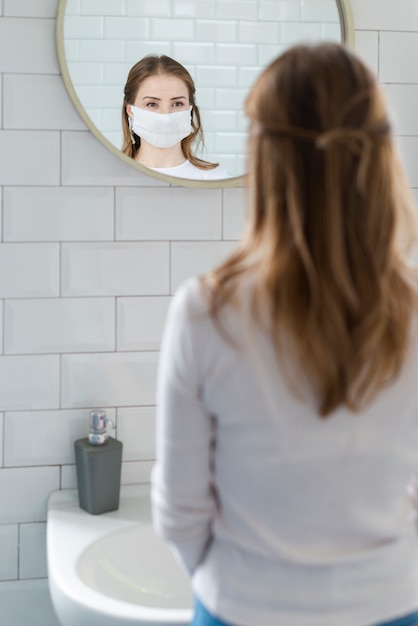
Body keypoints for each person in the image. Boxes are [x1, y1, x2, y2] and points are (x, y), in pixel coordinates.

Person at [151, 42, 418, 626]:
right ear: (379, 152)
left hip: (243, 608)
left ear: (265, 156)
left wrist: (244, 591)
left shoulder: (206, 312)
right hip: (393, 603)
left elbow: (180, 512)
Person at [122, 54, 228, 180]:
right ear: (130, 110)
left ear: (190, 108)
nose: (166, 117)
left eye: (177, 104)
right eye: (152, 104)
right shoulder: (112, 176)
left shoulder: (214, 178)